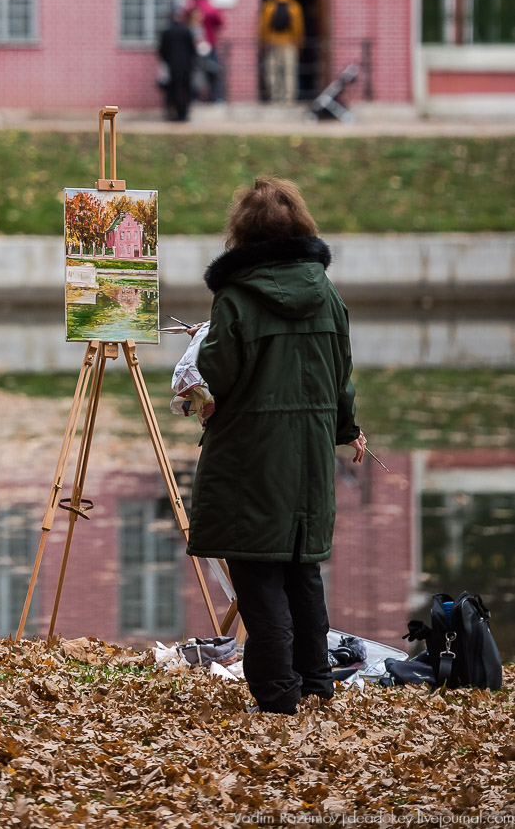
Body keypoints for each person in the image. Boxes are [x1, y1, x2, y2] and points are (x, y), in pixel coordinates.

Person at [186, 175, 366, 715]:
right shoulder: (327, 295)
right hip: (309, 455)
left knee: (257, 569)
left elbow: (216, 377)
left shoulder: (236, 299)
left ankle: (277, 693)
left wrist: (202, 344)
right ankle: (315, 682)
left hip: (250, 456)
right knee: (301, 568)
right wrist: (345, 429)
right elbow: (342, 377)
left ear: (240, 232)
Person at [258, 0, 304, 104]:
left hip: (272, 43)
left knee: (273, 71)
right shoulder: (294, 6)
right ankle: (289, 99)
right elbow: (298, 27)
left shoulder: (269, 5)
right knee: (289, 72)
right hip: (289, 43)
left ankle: (275, 97)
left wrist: (263, 42)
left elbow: (263, 26)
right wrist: (299, 44)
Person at [185, 0, 225, 102]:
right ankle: (216, 97)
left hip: (193, 48)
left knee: (195, 72)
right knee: (213, 71)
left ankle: (194, 97)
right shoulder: (210, 7)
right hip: (209, 44)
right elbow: (220, 22)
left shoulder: (191, 6)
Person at [158, 6, 197, 122]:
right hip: (186, 67)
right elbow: (192, 50)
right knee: (185, 89)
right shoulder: (186, 31)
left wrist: (168, 61)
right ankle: (184, 113)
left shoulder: (167, 32)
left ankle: (173, 113)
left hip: (172, 67)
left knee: (173, 90)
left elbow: (162, 51)